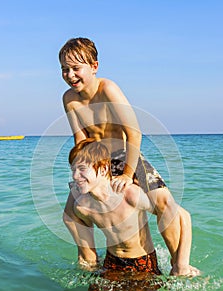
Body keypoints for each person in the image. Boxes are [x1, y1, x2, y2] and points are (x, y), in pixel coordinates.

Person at [59, 37, 198, 276]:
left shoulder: (108, 89)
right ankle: (90, 262)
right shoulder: (69, 99)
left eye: (76, 68)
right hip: (96, 160)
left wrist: (126, 173)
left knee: (165, 204)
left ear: (94, 66)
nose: (70, 75)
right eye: (65, 69)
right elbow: (81, 141)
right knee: (71, 213)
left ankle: (178, 266)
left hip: (126, 154)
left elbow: (134, 133)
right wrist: (80, 174)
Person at [68, 138, 199, 291]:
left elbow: (183, 215)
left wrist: (181, 264)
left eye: (82, 169)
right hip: (112, 263)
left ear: (104, 169)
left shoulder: (130, 195)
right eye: (73, 170)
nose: (75, 176)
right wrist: (88, 265)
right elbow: (79, 236)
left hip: (142, 264)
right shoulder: (82, 207)